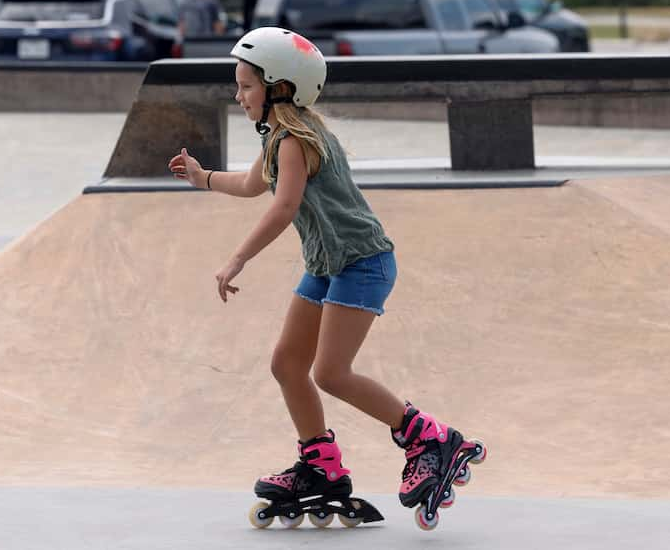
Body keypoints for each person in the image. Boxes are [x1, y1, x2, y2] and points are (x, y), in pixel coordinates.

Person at [168, 27, 486, 530]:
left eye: (247, 85)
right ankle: (321, 466)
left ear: (280, 88)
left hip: (363, 263)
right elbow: (253, 184)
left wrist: (237, 259)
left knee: (330, 372)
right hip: (327, 265)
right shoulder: (280, 137)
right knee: (286, 363)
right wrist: (202, 176)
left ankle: (431, 438)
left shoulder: (296, 141)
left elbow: (283, 206)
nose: (239, 94)